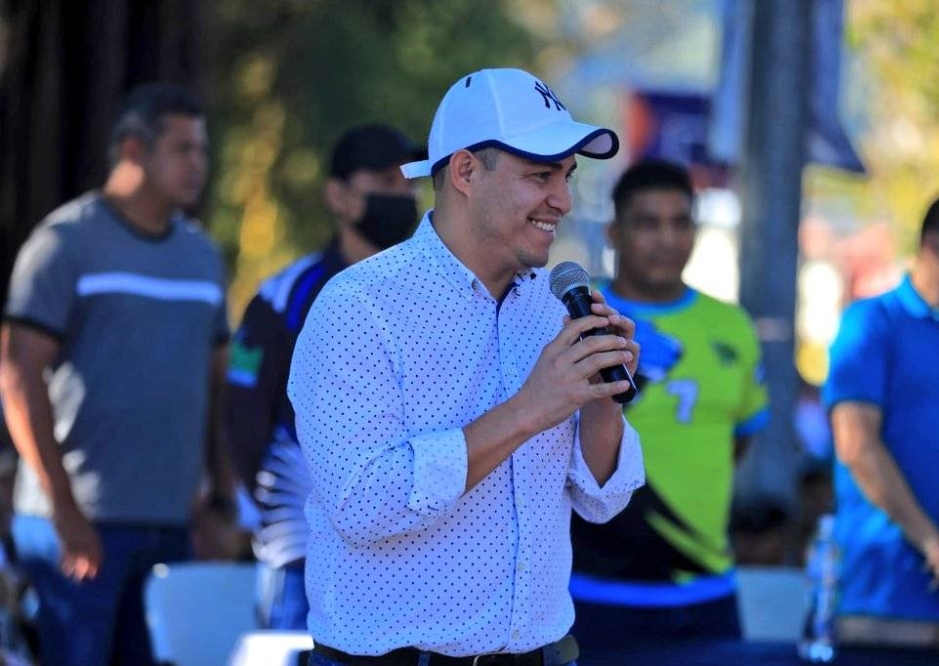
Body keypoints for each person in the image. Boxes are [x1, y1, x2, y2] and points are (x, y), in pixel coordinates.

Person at [289, 67, 645, 666]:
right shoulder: (359, 306)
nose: (562, 199)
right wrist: (530, 409)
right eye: (540, 175)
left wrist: (600, 399)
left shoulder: (553, 304)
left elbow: (603, 501)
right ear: (464, 172)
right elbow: (363, 505)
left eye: (567, 176)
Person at [0, 82, 234, 666]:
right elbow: (17, 377)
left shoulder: (202, 256)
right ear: (133, 150)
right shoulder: (63, 244)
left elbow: (215, 386)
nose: (197, 165)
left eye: (201, 150)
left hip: (172, 527)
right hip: (78, 529)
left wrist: (221, 503)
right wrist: (64, 511)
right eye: (183, 149)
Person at [225, 123, 423, 630]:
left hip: (407, 556)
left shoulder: (435, 295)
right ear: (337, 195)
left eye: (408, 182)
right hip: (300, 549)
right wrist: (259, 508)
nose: (400, 195)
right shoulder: (283, 297)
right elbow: (242, 414)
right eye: (382, 180)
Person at [568, 160, 769, 652]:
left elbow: (739, 439)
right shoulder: (578, 322)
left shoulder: (733, 327)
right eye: (648, 223)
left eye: (680, 223)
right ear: (614, 231)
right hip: (590, 591)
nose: (666, 239)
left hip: (705, 593)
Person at [824, 188, 939, 645]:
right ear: (934, 244)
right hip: (883, 593)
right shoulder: (871, 323)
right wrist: (934, 548)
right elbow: (856, 444)